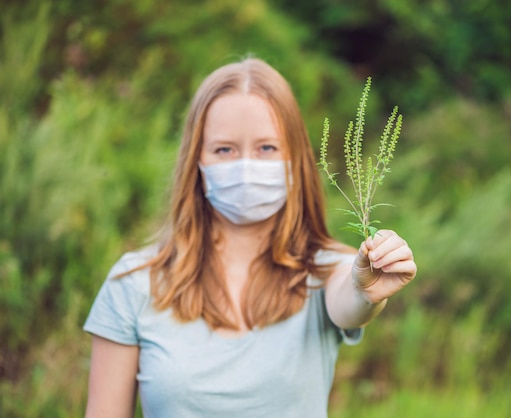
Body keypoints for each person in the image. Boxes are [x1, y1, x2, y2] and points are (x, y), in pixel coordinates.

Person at [83, 57, 416, 418]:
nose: (245, 165)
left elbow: (350, 302)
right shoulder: (133, 284)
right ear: (196, 159)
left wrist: (366, 289)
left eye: (266, 148)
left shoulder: (326, 270)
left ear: (296, 159)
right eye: (224, 149)